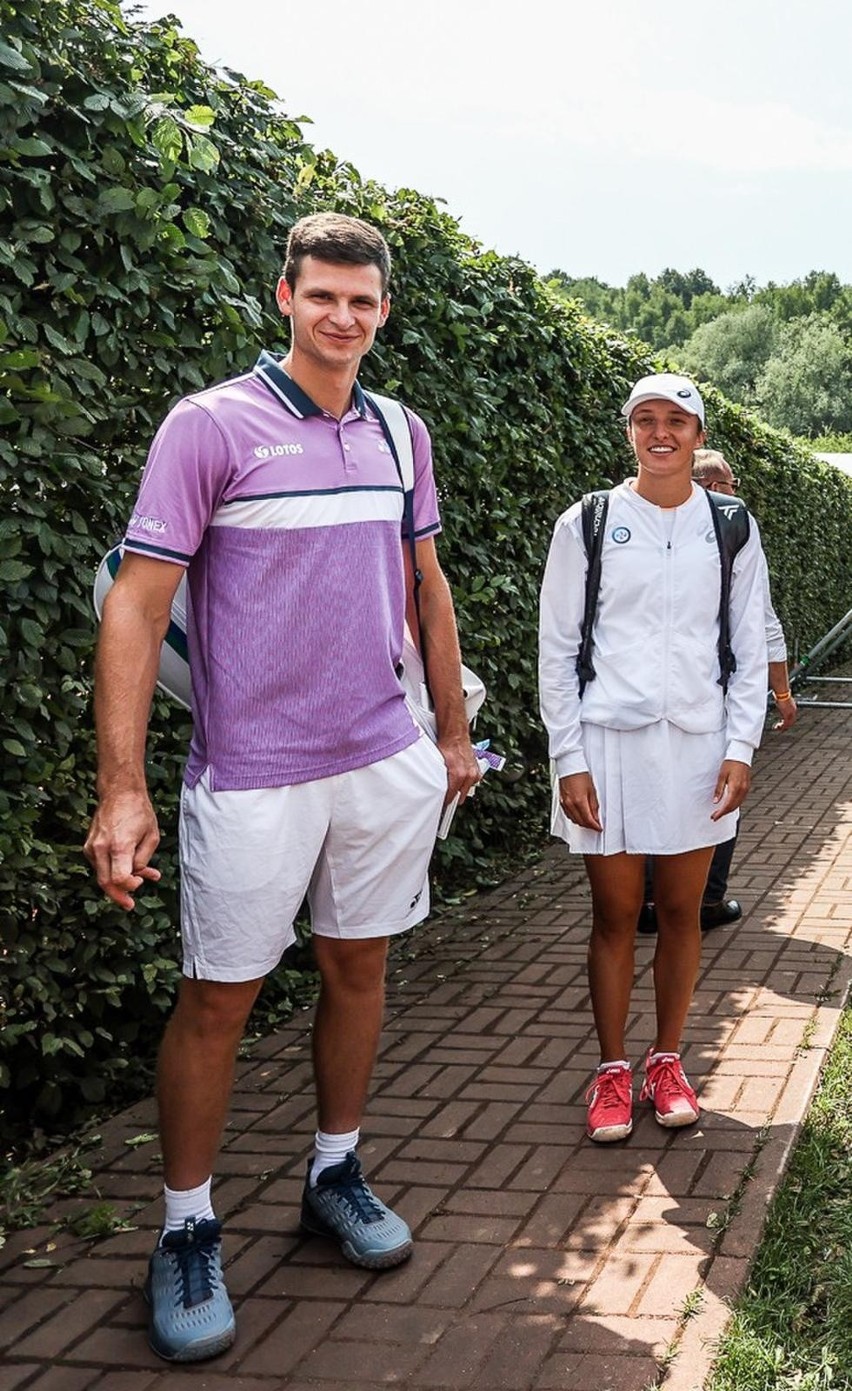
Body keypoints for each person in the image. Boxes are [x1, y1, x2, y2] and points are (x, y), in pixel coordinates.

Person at [84, 212, 480, 1363]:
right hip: (250, 775)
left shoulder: (403, 433)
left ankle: (333, 1170)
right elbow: (137, 604)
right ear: (284, 296)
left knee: (360, 965)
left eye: (363, 300)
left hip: (378, 760)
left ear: (384, 310)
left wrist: (451, 735)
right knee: (218, 997)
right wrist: (124, 785)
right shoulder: (209, 425)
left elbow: (428, 587)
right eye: (323, 296)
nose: (343, 317)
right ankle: (185, 1227)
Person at [539, 373, 769, 1144]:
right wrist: (568, 756)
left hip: (699, 750)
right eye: (646, 419)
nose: (661, 432)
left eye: (677, 420)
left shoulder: (731, 525)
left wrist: (741, 746)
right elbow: (558, 647)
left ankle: (667, 1061)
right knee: (612, 914)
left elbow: (740, 646)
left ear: (699, 434)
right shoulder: (591, 521)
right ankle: (611, 1069)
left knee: (681, 912)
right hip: (608, 748)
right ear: (629, 430)